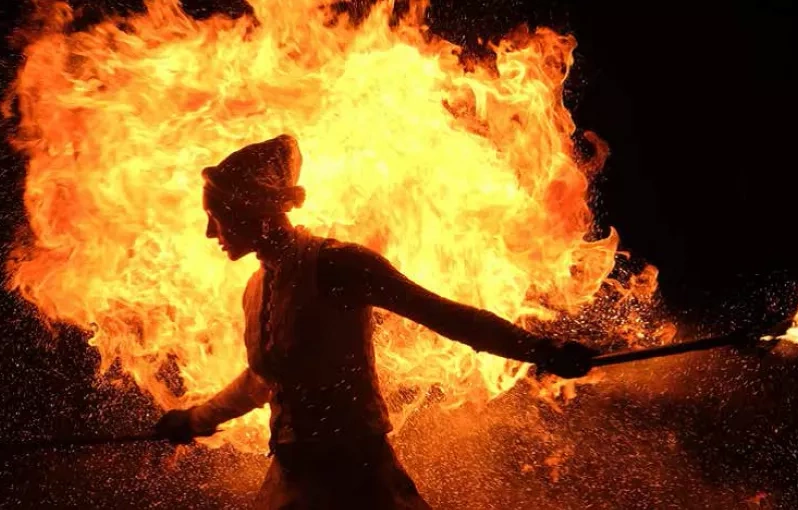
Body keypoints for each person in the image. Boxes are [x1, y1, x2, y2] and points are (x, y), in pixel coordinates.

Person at [155, 134, 598, 509]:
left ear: (254, 211)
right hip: (292, 478)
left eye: (216, 217)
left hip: (358, 478)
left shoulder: (338, 264)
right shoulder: (255, 289)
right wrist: (194, 419)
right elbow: (262, 379)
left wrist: (541, 350)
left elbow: (445, 315)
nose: (210, 233)